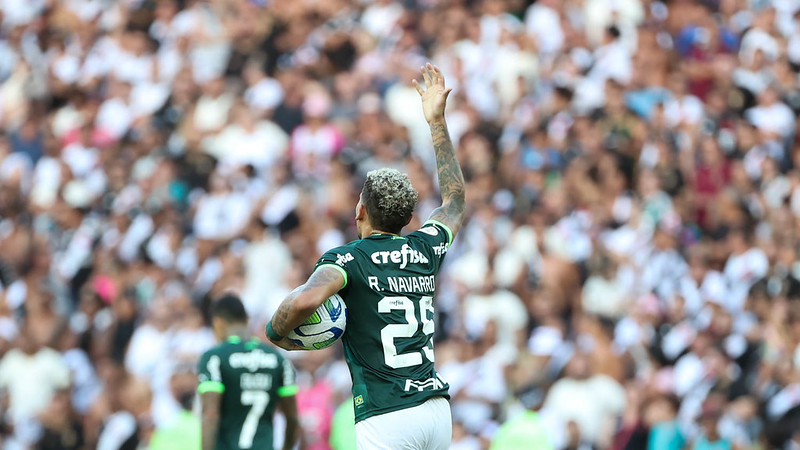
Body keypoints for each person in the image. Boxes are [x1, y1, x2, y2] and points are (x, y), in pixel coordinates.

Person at [266, 63, 465, 449]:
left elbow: (306, 299)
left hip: (386, 412)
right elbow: (454, 202)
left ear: (360, 212)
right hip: (436, 411)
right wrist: (436, 121)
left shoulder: (348, 259)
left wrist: (277, 333)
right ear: (409, 219)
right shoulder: (425, 247)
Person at [198, 295, 299, 450]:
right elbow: (292, 418)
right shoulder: (277, 358)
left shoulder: (215, 358)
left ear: (217, 322)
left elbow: (210, 415)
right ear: (247, 320)